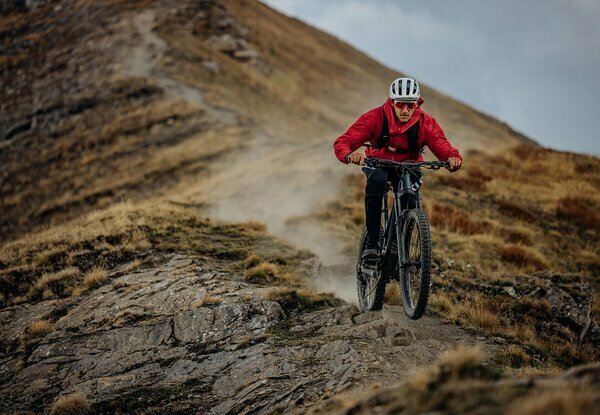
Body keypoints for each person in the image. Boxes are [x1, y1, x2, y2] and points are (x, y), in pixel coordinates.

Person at [333, 77, 462, 261]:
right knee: (376, 182)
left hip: (410, 166)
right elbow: (344, 141)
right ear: (392, 102)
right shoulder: (375, 117)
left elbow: (442, 145)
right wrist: (348, 154)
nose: (405, 110)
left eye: (411, 105)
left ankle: (395, 244)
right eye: (401, 104)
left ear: (417, 104)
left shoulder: (425, 123)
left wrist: (453, 158)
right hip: (378, 162)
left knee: (409, 196)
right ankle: (372, 243)